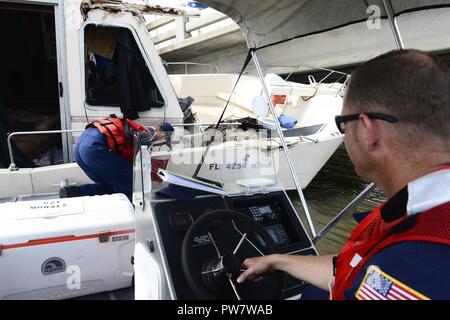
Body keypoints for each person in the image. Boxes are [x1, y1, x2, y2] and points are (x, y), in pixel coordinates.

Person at [237, 49, 450, 300]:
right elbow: (353, 267)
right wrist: (277, 261)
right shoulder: (420, 218)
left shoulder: (409, 267)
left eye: (344, 125)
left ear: (368, 131)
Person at [59, 115, 173, 202]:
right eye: (164, 139)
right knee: (133, 185)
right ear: (162, 134)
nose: (162, 142)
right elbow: (139, 164)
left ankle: (73, 193)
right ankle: (135, 216)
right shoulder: (148, 136)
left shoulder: (140, 128)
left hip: (81, 146)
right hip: (94, 148)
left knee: (110, 185)